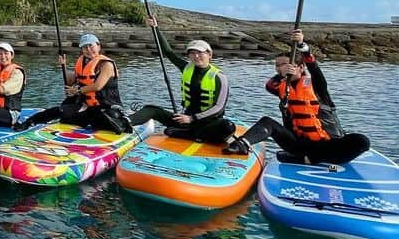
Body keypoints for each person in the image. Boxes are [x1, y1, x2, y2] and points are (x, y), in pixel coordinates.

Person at [224, 30, 370, 164]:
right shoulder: (281, 87)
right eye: (278, 66)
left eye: (285, 64)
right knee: (267, 121)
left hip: (328, 143)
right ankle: (241, 145)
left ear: (300, 67)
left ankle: (311, 159)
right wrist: (283, 75)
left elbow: (314, 68)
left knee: (362, 141)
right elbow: (269, 85)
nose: (281, 68)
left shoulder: (317, 86)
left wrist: (302, 46)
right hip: (299, 144)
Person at [126, 17, 235, 145]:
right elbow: (168, 52)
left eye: (200, 53)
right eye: (192, 53)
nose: (196, 56)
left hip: (207, 123)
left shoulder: (219, 77)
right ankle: (123, 122)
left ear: (209, 54)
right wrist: (155, 28)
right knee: (152, 109)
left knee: (228, 126)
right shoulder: (186, 68)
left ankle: (187, 134)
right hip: (184, 121)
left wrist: (192, 118)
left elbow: (219, 107)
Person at [14, 33, 130, 133]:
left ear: (98, 46)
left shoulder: (106, 65)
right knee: (60, 111)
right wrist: (63, 65)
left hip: (106, 107)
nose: (88, 49)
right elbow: (70, 81)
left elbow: (98, 86)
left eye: (91, 46)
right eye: (85, 47)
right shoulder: (82, 62)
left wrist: (77, 90)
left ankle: (122, 121)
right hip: (87, 106)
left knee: (105, 121)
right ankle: (29, 122)